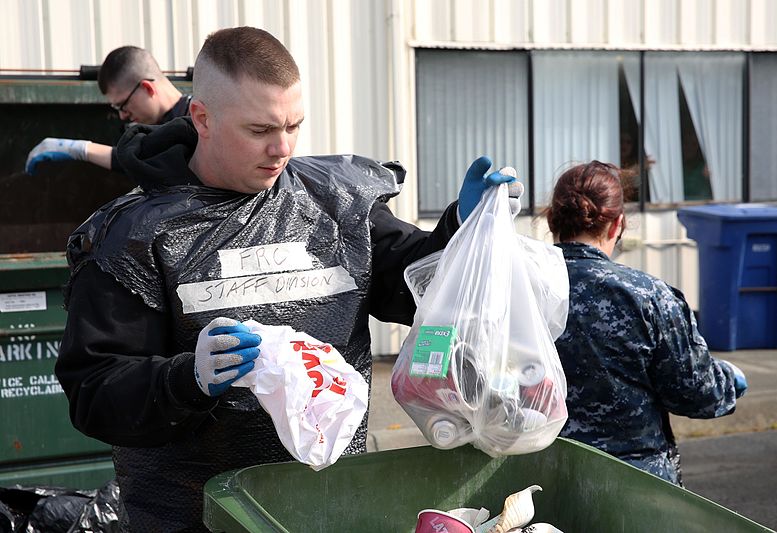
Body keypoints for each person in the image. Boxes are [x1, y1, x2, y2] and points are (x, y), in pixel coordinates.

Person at [54, 26, 522, 531]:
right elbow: (94, 392)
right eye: (259, 130)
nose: (281, 148)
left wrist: (466, 231)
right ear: (202, 118)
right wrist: (186, 377)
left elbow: (416, 286)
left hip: (327, 505)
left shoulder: (336, 204)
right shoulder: (133, 237)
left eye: (294, 125)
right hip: (197, 517)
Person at [543, 160, 747, 485]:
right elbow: (695, 392)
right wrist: (728, 380)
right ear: (617, 225)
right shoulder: (647, 295)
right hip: (634, 484)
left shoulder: (515, 289)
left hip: (535, 478)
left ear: (552, 219)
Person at [25, 46, 191, 175]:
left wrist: (81, 149)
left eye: (123, 105)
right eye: (117, 108)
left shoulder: (197, 121)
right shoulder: (159, 128)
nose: (122, 115)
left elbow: (146, 159)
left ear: (147, 88)